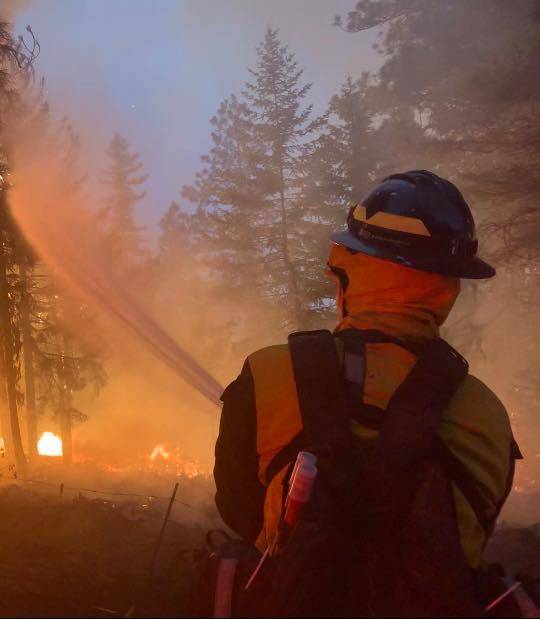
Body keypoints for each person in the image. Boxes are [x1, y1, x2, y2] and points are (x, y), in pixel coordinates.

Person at [213, 170, 521, 614]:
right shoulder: (487, 415)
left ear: (351, 272)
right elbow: (472, 537)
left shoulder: (268, 373)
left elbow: (236, 506)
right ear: (447, 286)